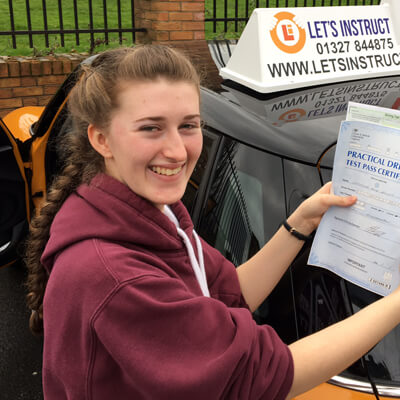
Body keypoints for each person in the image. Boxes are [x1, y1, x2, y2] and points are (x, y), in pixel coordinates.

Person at [25, 45, 400, 400]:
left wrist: (300, 223)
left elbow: (227, 292)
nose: (177, 151)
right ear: (101, 139)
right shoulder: (114, 276)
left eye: (189, 125)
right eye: (151, 128)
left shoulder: (152, 209)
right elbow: (259, 375)